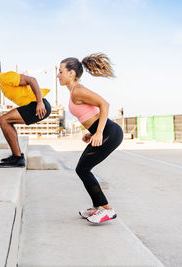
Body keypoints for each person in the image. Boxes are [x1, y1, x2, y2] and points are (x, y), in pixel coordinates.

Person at [57, 53, 123, 224]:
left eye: (60, 71)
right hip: (104, 131)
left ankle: (107, 209)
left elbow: (105, 104)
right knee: (83, 169)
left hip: (110, 132)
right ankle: (98, 207)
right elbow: (91, 113)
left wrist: (99, 132)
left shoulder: (78, 90)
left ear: (71, 73)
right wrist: (93, 132)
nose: (58, 75)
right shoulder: (75, 91)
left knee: (83, 169)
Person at [0, 57, 52, 168]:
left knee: (4, 119)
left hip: (37, 105)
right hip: (35, 105)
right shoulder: (2, 83)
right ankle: (16, 156)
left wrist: (39, 103)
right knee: (5, 120)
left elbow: (32, 80)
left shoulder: (5, 77)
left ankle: (18, 158)